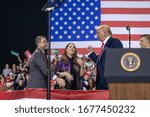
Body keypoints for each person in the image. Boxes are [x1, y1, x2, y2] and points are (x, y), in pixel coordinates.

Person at [87, 24, 123, 90]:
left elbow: (117, 59)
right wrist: (91, 52)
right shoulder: (104, 45)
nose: (96, 35)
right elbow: (101, 61)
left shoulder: (114, 42)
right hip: (101, 81)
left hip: (109, 81)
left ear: (105, 32)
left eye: (98, 32)